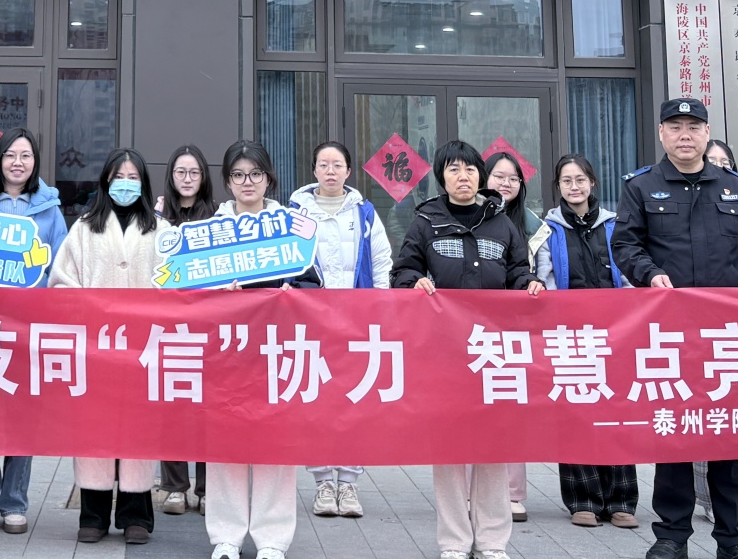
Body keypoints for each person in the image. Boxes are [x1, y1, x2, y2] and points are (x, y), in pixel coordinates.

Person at [613, 97, 738, 559]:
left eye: (694, 126)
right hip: (669, 334)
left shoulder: (735, 188)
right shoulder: (641, 187)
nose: (685, 134)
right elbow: (626, 245)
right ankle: (671, 536)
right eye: (676, 126)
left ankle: (733, 540)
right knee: (674, 435)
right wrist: (650, 274)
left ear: (707, 133)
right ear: (661, 132)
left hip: (727, 336)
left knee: (729, 435)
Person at [393, 140, 545, 559]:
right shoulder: (426, 221)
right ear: (441, 177)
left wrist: (529, 284)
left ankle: (493, 541)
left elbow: (518, 271)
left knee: (493, 446)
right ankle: (454, 542)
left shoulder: (501, 222)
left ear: (481, 176)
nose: (463, 177)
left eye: (471, 169)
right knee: (450, 448)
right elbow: (403, 270)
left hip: (494, 350)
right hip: (444, 352)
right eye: (454, 169)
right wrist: (414, 282)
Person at [205, 140, 319, 559]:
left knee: (275, 444)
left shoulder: (291, 226)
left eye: (255, 174)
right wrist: (219, 291)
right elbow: (190, 289)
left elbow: (314, 284)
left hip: (277, 351)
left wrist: (292, 292)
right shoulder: (211, 230)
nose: (247, 182)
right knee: (225, 444)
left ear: (269, 178)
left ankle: (272, 539)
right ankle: (226, 536)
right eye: (238, 175)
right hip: (227, 352)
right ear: (228, 182)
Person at [53, 148, 163, 545]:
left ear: (144, 184)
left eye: (133, 177)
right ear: (106, 181)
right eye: (119, 177)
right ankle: (94, 514)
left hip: (144, 347)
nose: (126, 184)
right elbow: (61, 280)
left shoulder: (161, 229)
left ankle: (137, 515)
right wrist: (89, 308)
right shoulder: (84, 228)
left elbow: (176, 283)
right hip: (95, 346)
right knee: (94, 428)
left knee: (140, 430)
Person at [0, 127, 68, 536]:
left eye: (26, 156)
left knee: (23, 415)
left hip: (29, 325)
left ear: (35, 162)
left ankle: (14, 501)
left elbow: (59, 266)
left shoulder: (50, 209)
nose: (17, 163)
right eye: (10, 155)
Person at [288, 140, 391, 520]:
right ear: (314, 170)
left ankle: (348, 483)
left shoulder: (364, 213)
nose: (330, 171)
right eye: (323, 164)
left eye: (337, 165)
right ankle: (322, 484)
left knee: (354, 401)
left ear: (348, 171)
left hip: (356, 321)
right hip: (310, 323)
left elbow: (381, 261)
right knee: (316, 401)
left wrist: (381, 307)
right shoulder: (294, 213)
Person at [543, 154, 637, 530]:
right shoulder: (549, 229)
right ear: (558, 187)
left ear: (592, 183)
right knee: (576, 413)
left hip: (615, 333)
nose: (574, 187)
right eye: (566, 181)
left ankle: (621, 500)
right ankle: (582, 500)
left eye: (580, 179)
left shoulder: (614, 225)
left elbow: (628, 274)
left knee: (618, 413)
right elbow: (546, 278)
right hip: (570, 335)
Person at [692, 139, 738, 530]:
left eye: (725, 162)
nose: (718, 167)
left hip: (737, 325)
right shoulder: (668, 192)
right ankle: (701, 499)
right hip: (685, 325)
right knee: (694, 412)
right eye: (712, 160)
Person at [482, 148, 551, 522]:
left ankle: (512, 494)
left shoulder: (535, 226)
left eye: (513, 178)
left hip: (516, 328)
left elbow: (542, 273)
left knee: (510, 408)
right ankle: (474, 492)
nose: (505, 183)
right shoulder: (470, 215)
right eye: (499, 176)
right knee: (472, 410)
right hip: (472, 327)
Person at [157, 143, 215, 515]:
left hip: (208, 325)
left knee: (208, 409)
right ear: (171, 175)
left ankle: (207, 489)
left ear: (204, 177)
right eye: (181, 172)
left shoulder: (218, 217)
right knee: (172, 408)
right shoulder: (156, 218)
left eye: (194, 172)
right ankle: (175, 488)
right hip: (167, 325)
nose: (188, 178)